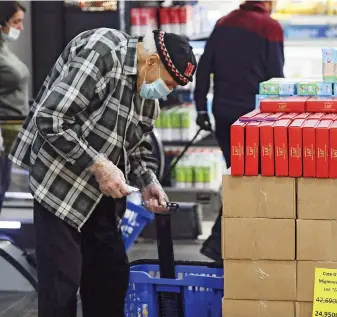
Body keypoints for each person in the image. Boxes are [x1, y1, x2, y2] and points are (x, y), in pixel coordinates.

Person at [9, 28, 197, 317]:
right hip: (59, 183)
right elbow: (51, 117)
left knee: (110, 278)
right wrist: (98, 165)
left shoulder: (148, 90)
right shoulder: (102, 52)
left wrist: (148, 182)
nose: (166, 92)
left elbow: (137, 145)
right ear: (151, 62)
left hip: (102, 189)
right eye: (168, 83)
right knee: (61, 286)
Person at [194, 0, 284, 262]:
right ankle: (220, 242)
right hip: (255, 118)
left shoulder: (223, 23)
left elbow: (204, 68)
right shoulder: (271, 28)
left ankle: (230, 241)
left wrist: (201, 107)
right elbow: (276, 78)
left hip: (223, 115)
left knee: (239, 175)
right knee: (248, 179)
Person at [0, 1, 29, 211]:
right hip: (3, 129)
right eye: (15, 22)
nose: (20, 28)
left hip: (11, 132)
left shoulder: (4, 50)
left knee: (2, 186)